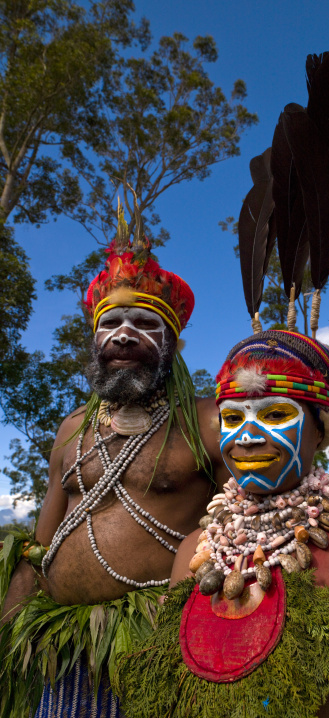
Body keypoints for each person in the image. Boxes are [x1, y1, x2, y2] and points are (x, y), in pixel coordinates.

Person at [118, 331, 329, 718]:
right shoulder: (197, 548)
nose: (246, 437)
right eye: (232, 418)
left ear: (319, 432)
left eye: (275, 414)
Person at [0, 214, 230, 717]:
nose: (123, 336)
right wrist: (12, 621)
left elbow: (246, 530)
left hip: (161, 646)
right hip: (64, 654)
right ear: (94, 340)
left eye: (146, 324)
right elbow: (41, 544)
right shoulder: (73, 427)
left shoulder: (208, 420)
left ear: (173, 344)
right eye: (110, 324)